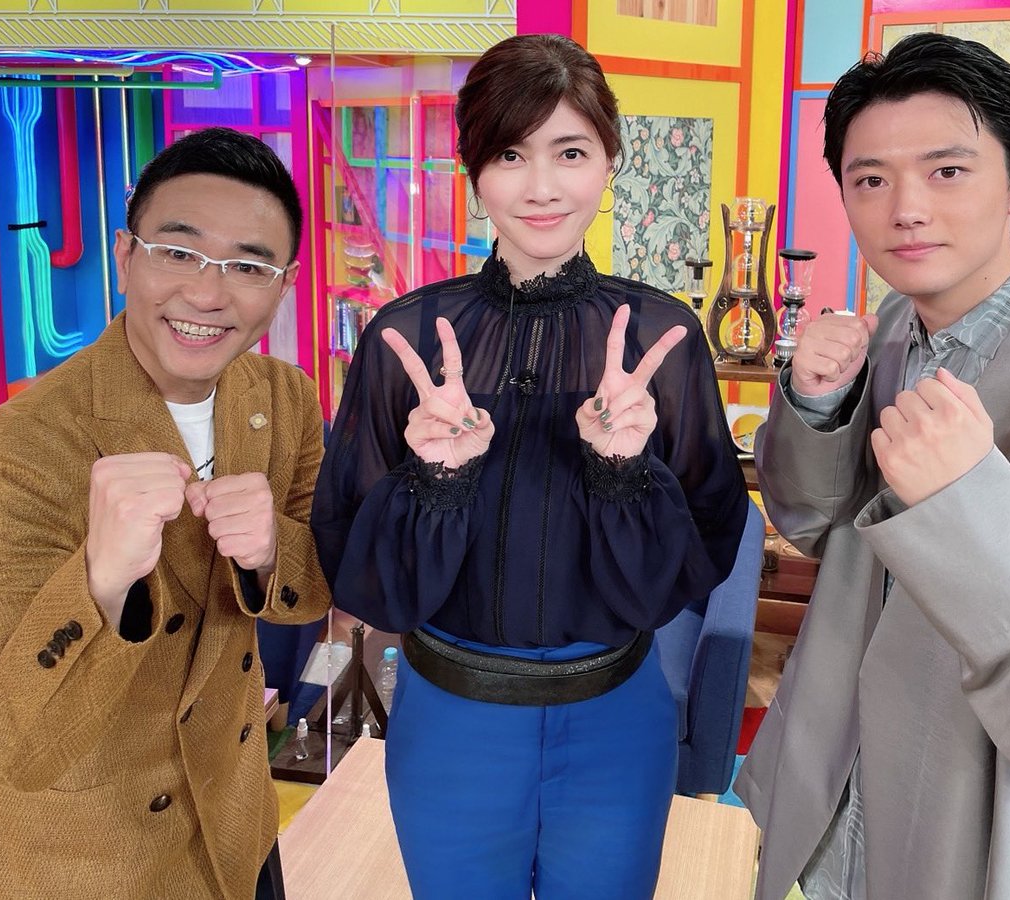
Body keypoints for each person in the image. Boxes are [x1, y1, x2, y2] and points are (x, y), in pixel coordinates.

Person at [735, 31, 1010, 900]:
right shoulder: (893, 330)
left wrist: (969, 505)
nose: (906, 209)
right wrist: (817, 406)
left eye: (946, 171)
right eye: (870, 179)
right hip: (839, 799)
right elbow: (817, 528)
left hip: (992, 835)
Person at [312, 33, 748, 899]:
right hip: (451, 722)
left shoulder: (661, 339)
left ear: (609, 161)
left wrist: (623, 470)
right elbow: (358, 570)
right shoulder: (406, 339)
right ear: (473, 169)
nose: (541, 187)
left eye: (570, 152)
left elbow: (702, 554)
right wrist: (435, 480)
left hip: (616, 719)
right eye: (510, 154)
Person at [0, 127, 331, 900]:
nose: (206, 294)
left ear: (284, 286)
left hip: (236, 828)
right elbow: (3, 745)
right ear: (124, 256)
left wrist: (271, 551)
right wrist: (99, 583)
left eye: (248, 266)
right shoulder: (19, 448)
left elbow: (315, 583)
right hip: (91, 864)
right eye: (178, 252)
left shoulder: (284, 398)